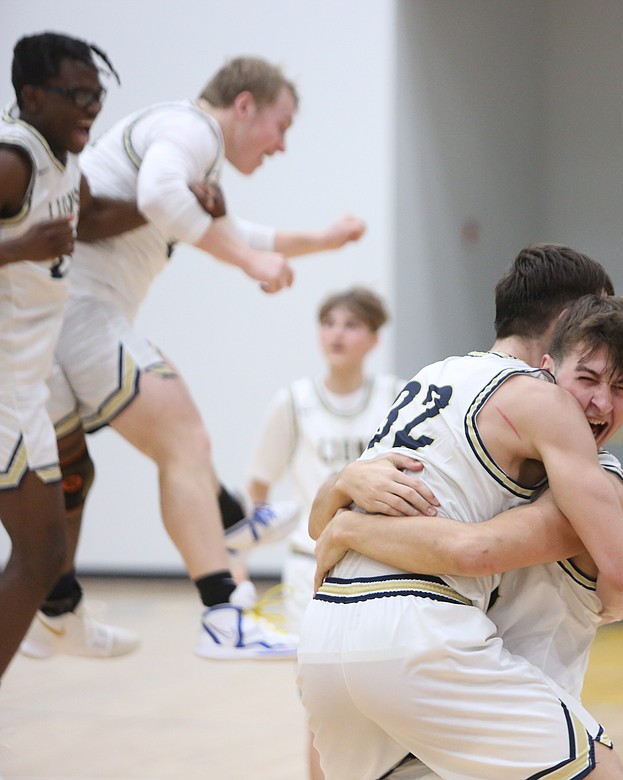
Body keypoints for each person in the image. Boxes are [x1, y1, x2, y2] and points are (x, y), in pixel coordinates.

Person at [25, 55, 366, 662]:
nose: (282, 144)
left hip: (72, 318)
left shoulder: (193, 152)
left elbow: (241, 233)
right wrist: (247, 263)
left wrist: (321, 239)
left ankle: (65, 609)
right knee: (182, 439)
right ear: (244, 106)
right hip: (79, 312)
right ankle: (222, 613)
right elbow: (164, 199)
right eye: (280, 125)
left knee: (108, 459)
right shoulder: (191, 130)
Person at [297, 244, 623, 780]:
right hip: (421, 634)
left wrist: (344, 512)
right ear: (560, 330)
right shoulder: (548, 413)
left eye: (620, 385)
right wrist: (615, 589)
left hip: (325, 636)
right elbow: (473, 549)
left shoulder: (432, 378)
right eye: (593, 319)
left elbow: (323, 522)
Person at [0, 31, 150, 681]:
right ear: (32, 96)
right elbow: (40, 238)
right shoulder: (12, 161)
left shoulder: (63, 160)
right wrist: (20, 248)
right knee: (39, 552)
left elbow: (88, 220)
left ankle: (60, 625)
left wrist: (172, 208)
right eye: (76, 93)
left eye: (97, 93)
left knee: (46, 547)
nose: (90, 105)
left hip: (25, 383)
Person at [238, 286, 404, 780]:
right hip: (307, 567)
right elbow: (257, 484)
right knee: (321, 701)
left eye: (351, 324)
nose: (337, 332)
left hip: (377, 563)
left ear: (373, 338)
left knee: (383, 696)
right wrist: (237, 564)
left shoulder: (395, 396)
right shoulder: (293, 402)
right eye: (329, 322)